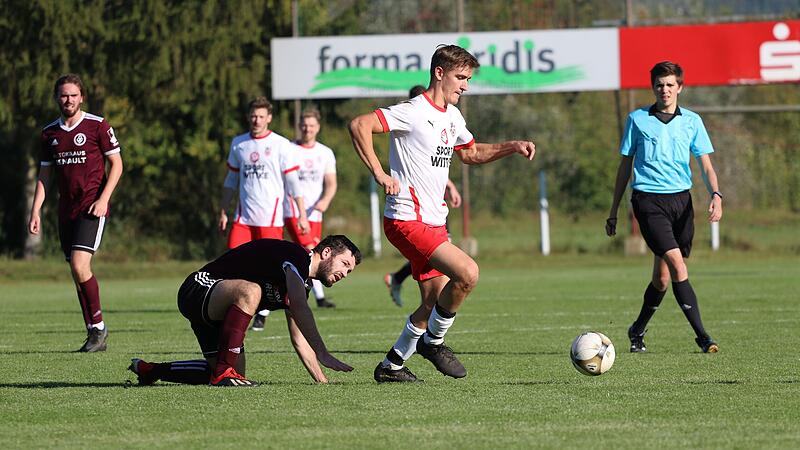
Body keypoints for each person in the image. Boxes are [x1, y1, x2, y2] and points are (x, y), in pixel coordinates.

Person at [349, 45, 536, 383]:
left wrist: (512, 146)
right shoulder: (413, 110)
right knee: (468, 273)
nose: (465, 86)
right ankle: (433, 343)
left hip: (434, 223)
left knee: (434, 302)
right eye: (461, 78)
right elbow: (359, 125)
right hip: (406, 219)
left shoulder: (452, 116)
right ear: (439, 73)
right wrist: (379, 172)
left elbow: (473, 153)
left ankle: (391, 366)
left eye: (468, 79)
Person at [127, 235, 361, 386]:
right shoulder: (296, 258)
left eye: (350, 271)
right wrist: (323, 351)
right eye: (345, 264)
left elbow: (299, 339)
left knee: (234, 375)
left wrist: (322, 381)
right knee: (251, 291)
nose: (345, 273)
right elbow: (299, 307)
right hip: (198, 289)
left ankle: (152, 371)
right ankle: (223, 371)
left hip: (219, 313)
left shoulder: (301, 285)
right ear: (327, 252)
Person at [606, 61, 722, 354]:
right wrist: (614, 209)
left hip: (681, 203)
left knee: (662, 278)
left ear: (679, 87)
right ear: (653, 87)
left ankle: (637, 329)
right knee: (679, 266)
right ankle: (703, 337)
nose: (665, 90)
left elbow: (705, 165)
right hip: (648, 201)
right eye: (660, 85)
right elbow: (624, 167)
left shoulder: (693, 121)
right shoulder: (637, 119)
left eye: (670, 85)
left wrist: (716, 194)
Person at [28, 74, 124, 353]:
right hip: (65, 210)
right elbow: (45, 175)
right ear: (56, 98)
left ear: (81, 96)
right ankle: (94, 332)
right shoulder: (50, 134)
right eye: (63, 95)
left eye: (73, 95)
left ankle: (99, 329)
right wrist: (36, 210)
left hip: (92, 206)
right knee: (76, 272)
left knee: (80, 266)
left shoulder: (97, 125)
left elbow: (116, 165)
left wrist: (104, 199)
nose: (68, 100)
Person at [217, 97, 309, 329]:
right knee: (232, 263)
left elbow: (293, 182)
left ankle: (265, 309)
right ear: (249, 117)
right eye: (253, 116)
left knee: (271, 268)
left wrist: (301, 213)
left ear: (269, 118)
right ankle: (232, 309)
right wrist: (223, 210)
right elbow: (231, 179)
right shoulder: (239, 143)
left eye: (261, 116)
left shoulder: (280, 144)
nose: (256, 120)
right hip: (243, 218)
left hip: (269, 218)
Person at [282, 107, 338, 310]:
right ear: (299, 127)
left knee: (311, 251)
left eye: (311, 125)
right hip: (294, 210)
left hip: (315, 212)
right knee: (311, 249)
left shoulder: (325, 152)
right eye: (304, 125)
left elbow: (331, 183)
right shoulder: (289, 149)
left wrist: (325, 201)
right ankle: (317, 296)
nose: (307, 129)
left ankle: (309, 294)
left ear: (318, 127)